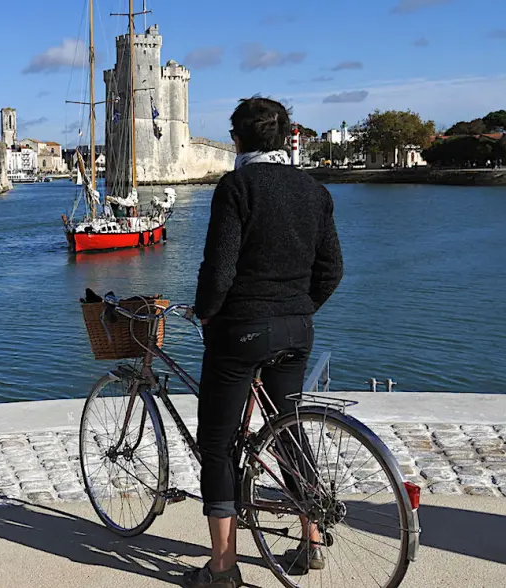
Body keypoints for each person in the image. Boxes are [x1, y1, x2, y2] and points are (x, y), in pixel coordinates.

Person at [186, 96, 343, 588]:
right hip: (297, 328)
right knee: (288, 428)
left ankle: (223, 568)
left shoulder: (236, 187)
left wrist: (205, 312)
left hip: (241, 330)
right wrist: (298, 309)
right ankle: (311, 538)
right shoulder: (314, 190)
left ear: (237, 140)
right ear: (286, 137)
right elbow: (331, 271)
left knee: (216, 444)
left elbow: (220, 270)